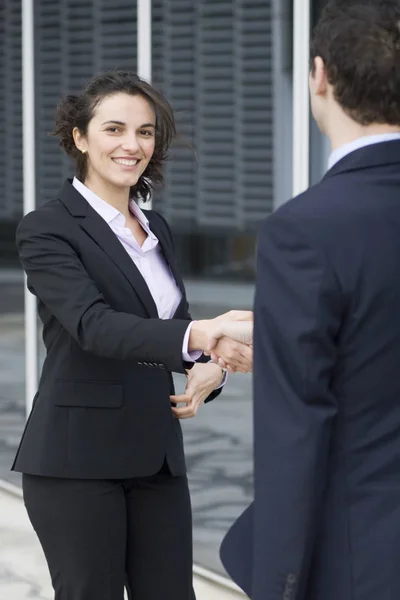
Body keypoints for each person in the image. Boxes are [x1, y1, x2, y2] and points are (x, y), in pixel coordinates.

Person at [13, 70, 252, 600]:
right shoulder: (47, 227)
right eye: (115, 129)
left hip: (156, 455)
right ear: (80, 137)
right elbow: (93, 325)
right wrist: (202, 333)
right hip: (77, 462)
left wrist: (208, 367)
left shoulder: (156, 228)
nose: (132, 144)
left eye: (145, 132)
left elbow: (171, 331)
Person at [218, 1, 400, 599]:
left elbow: (296, 432)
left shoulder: (307, 229)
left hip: (363, 565)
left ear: (319, 75)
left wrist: (278, 585)